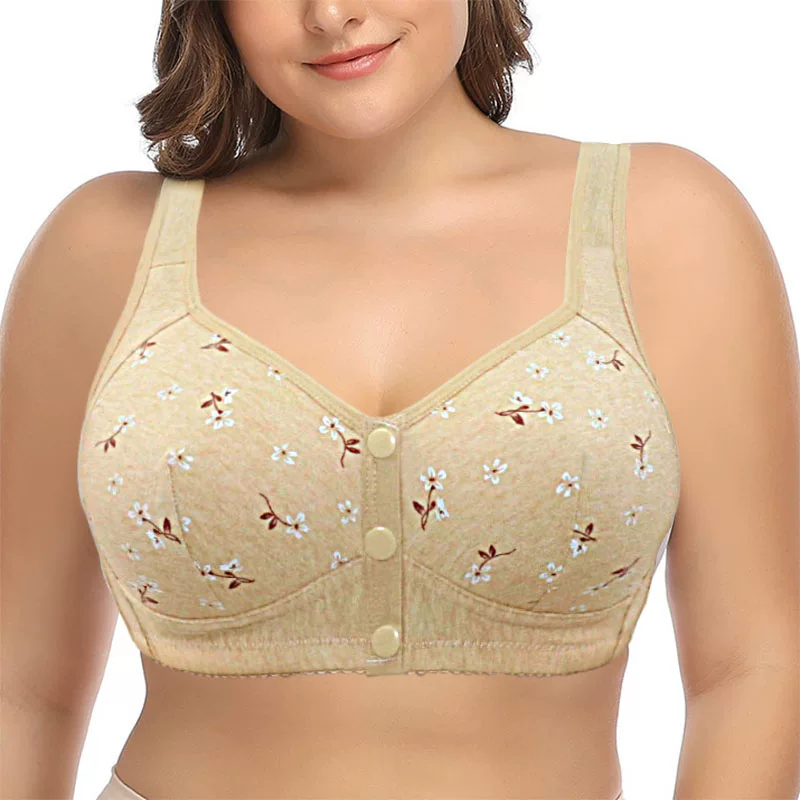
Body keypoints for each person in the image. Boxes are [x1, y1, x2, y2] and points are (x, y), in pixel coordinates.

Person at [2, 1, 799, 798]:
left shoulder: (664, 225)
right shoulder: (106, 247)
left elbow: (755, 665)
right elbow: (21, 685)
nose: (331, 14)